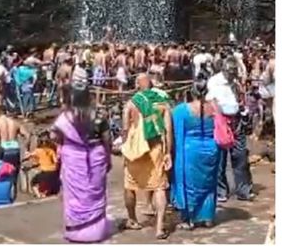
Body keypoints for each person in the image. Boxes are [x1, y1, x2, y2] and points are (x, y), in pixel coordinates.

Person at [51, 81, 113, 243]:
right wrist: (108, 158)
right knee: (95, 192)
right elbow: (107, 139)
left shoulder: (64, 118)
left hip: (73, 158)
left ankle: (76, 230)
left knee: (75, 195)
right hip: (96, 157)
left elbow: (54, 136)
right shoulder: (99, 115)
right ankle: (96, 229)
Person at [122, 73, 173, 239]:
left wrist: (125, 148)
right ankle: (159, 228)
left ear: (137, 85)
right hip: (155, 148)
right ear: (151, 85)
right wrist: (168, 153)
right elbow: (168, 131)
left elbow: (124, 129)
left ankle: (132, 219)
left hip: (136, 150)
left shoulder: (131, 104)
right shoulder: (163, 103)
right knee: (159, 187)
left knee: (130, 185)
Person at [171, 78, 219, 229]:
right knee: (209, 183)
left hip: (190, 150)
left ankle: (189, 219)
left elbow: (174, 133)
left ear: (192, 91)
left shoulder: (181, 110)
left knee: (190, 185)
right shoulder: (214, 107)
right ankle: (207, 217)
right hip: (212, 149)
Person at [207, 58, 254, 202]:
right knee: (220, 158)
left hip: (237, 120)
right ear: (224, 70)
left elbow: (240, 99)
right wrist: (220, 121)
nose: (233, 75)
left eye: (235, 72)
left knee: (240, 156)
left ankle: (243, 190)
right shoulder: (215, 82)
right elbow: (211, 101)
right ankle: (221, 191)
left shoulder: (235, 83)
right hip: (221, 121)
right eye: (231, 72)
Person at [0, 102, 23, 199]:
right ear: (6, 111)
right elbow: (28, 135)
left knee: (2, 175)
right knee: (14, 176)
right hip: (15, 150)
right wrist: (28, 149)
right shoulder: (15, 122)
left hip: (4, 151)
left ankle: (4, 198)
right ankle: (13, 196)